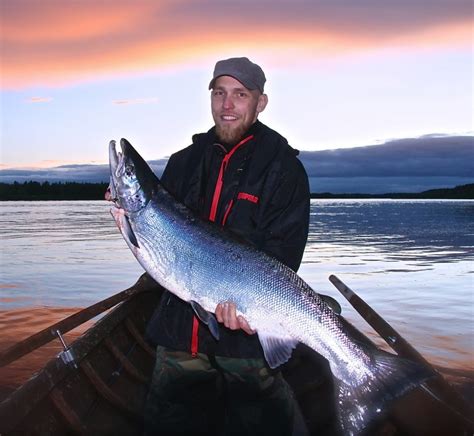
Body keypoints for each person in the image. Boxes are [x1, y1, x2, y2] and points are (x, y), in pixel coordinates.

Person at [143, 57, 310, 435]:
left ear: (260, 103)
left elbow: (285, 256)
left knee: (262, 421)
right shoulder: (183, 162)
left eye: (240, 94)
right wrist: (130, 216)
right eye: (220, 93)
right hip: (180, 331)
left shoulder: (284, 169)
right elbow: (160, 243)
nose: (227, 105)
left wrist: (255, 310)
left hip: (246, 335)